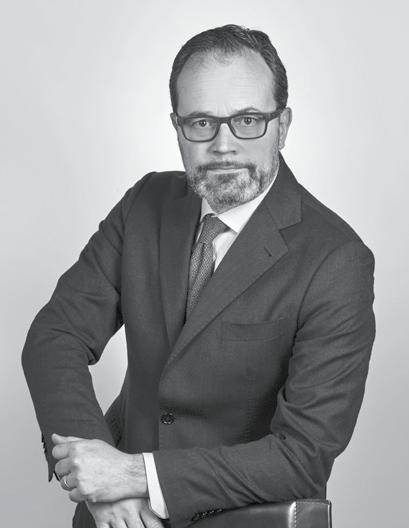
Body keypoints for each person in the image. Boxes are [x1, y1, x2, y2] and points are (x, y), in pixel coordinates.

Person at [22, 24, 376, 528]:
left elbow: (303, 456)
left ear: (283, 125)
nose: (223, 145)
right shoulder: (145, 203)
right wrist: (95, 474)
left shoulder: (336, 259)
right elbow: (55, 334)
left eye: (249, 119)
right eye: (202, 122)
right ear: (177, 127)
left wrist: (133, 475)